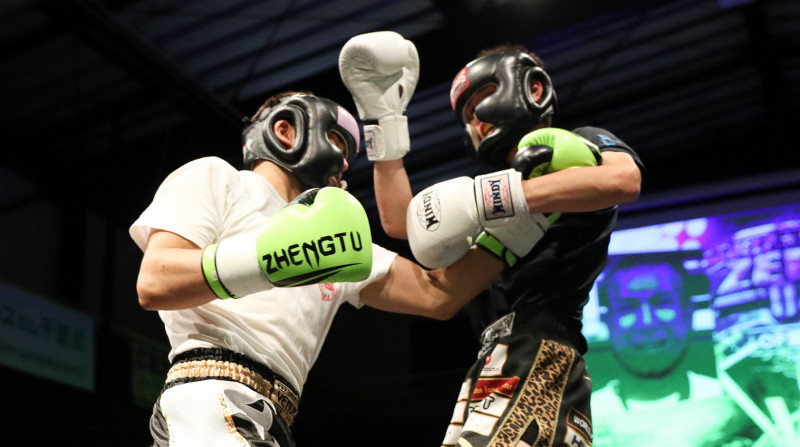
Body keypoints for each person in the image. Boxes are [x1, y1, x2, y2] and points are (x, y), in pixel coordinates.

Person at [130, 91, 519, 446]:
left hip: (272, 416)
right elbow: (155, 281)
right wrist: (273, 258)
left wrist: (522, 222)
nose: (345, 162)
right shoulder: (220, 179)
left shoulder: (337, 239)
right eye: (336, 139)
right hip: (209, 392)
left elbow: (438, 296)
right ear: (286, 131)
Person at [338, 32, 645, 447]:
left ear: (532, 88)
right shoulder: (487, 211)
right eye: (466, 115)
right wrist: (383, 120)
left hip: (539, 352)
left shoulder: (574, 152)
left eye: (481, 99)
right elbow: (405, 230)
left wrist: (489, 199)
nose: (476, 120)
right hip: (491, 362)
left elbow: (623, 179)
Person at [591, 254, 750, 446]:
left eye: (662, 302)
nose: (647, 322)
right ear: (607, 321)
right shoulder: (582, 416)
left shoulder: (736, 403)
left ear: (689, 312)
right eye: (627, 307)